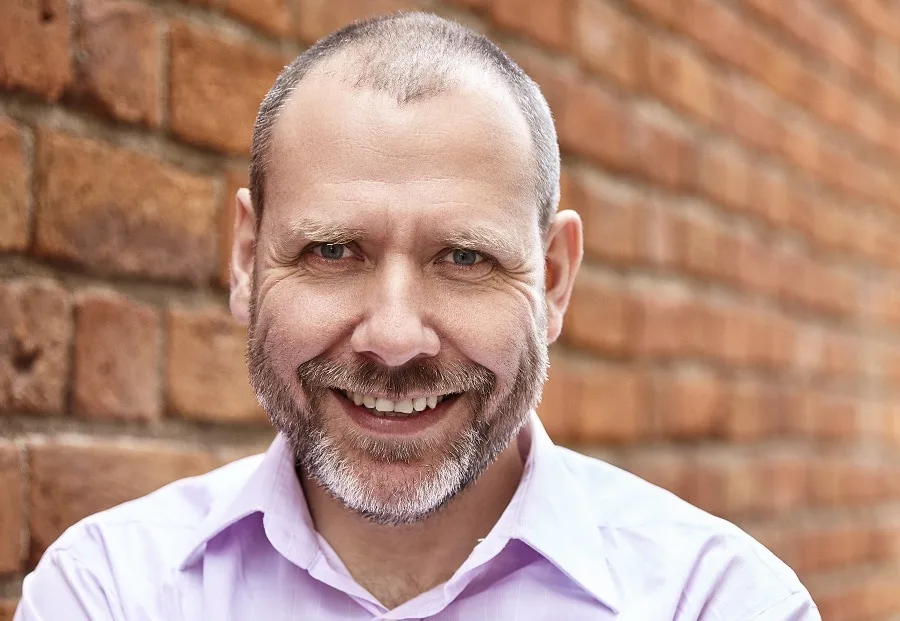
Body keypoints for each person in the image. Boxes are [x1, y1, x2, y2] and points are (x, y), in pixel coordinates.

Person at [15, 12, 820, 621]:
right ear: (246, 259)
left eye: (464, 258)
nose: (395, 339)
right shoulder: (110, 589)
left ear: (553, 280)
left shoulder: (717, 599)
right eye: (333, 251)